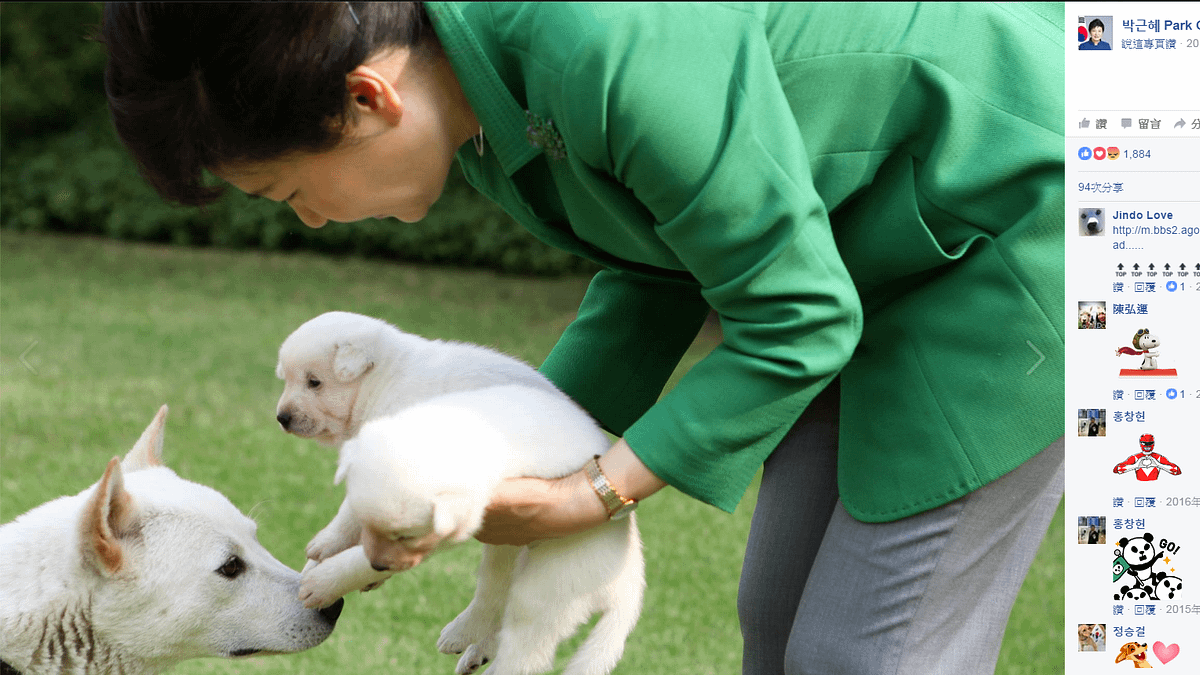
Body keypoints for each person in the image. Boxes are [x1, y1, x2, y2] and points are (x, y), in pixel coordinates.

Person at [100, 3, 1066, 673]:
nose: (308, 221)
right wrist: (498, 457)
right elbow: (655, 266)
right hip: (859, 256)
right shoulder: (475, 98)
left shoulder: (602, 39)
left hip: (1026, 226)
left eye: (289, 192)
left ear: (366, 99)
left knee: (862, 655)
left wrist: (588, 492)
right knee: (776, 626)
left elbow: (799, 318)